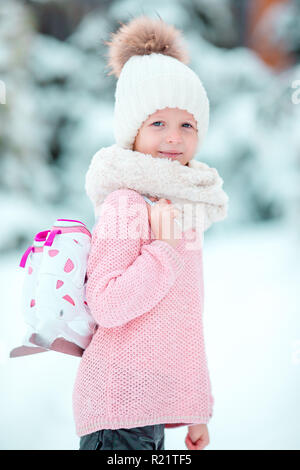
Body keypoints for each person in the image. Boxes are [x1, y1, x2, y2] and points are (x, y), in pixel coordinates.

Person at [73, 15, 229, 451]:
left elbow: (181, 320)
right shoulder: (128, 203)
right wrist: (162, 247)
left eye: (187, 125)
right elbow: (108, 303)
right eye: (157, 123)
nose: (174, 138)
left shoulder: (181, 209)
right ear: (133, 130)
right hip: (118, 412)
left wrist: (196, 410)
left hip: (150, 412)